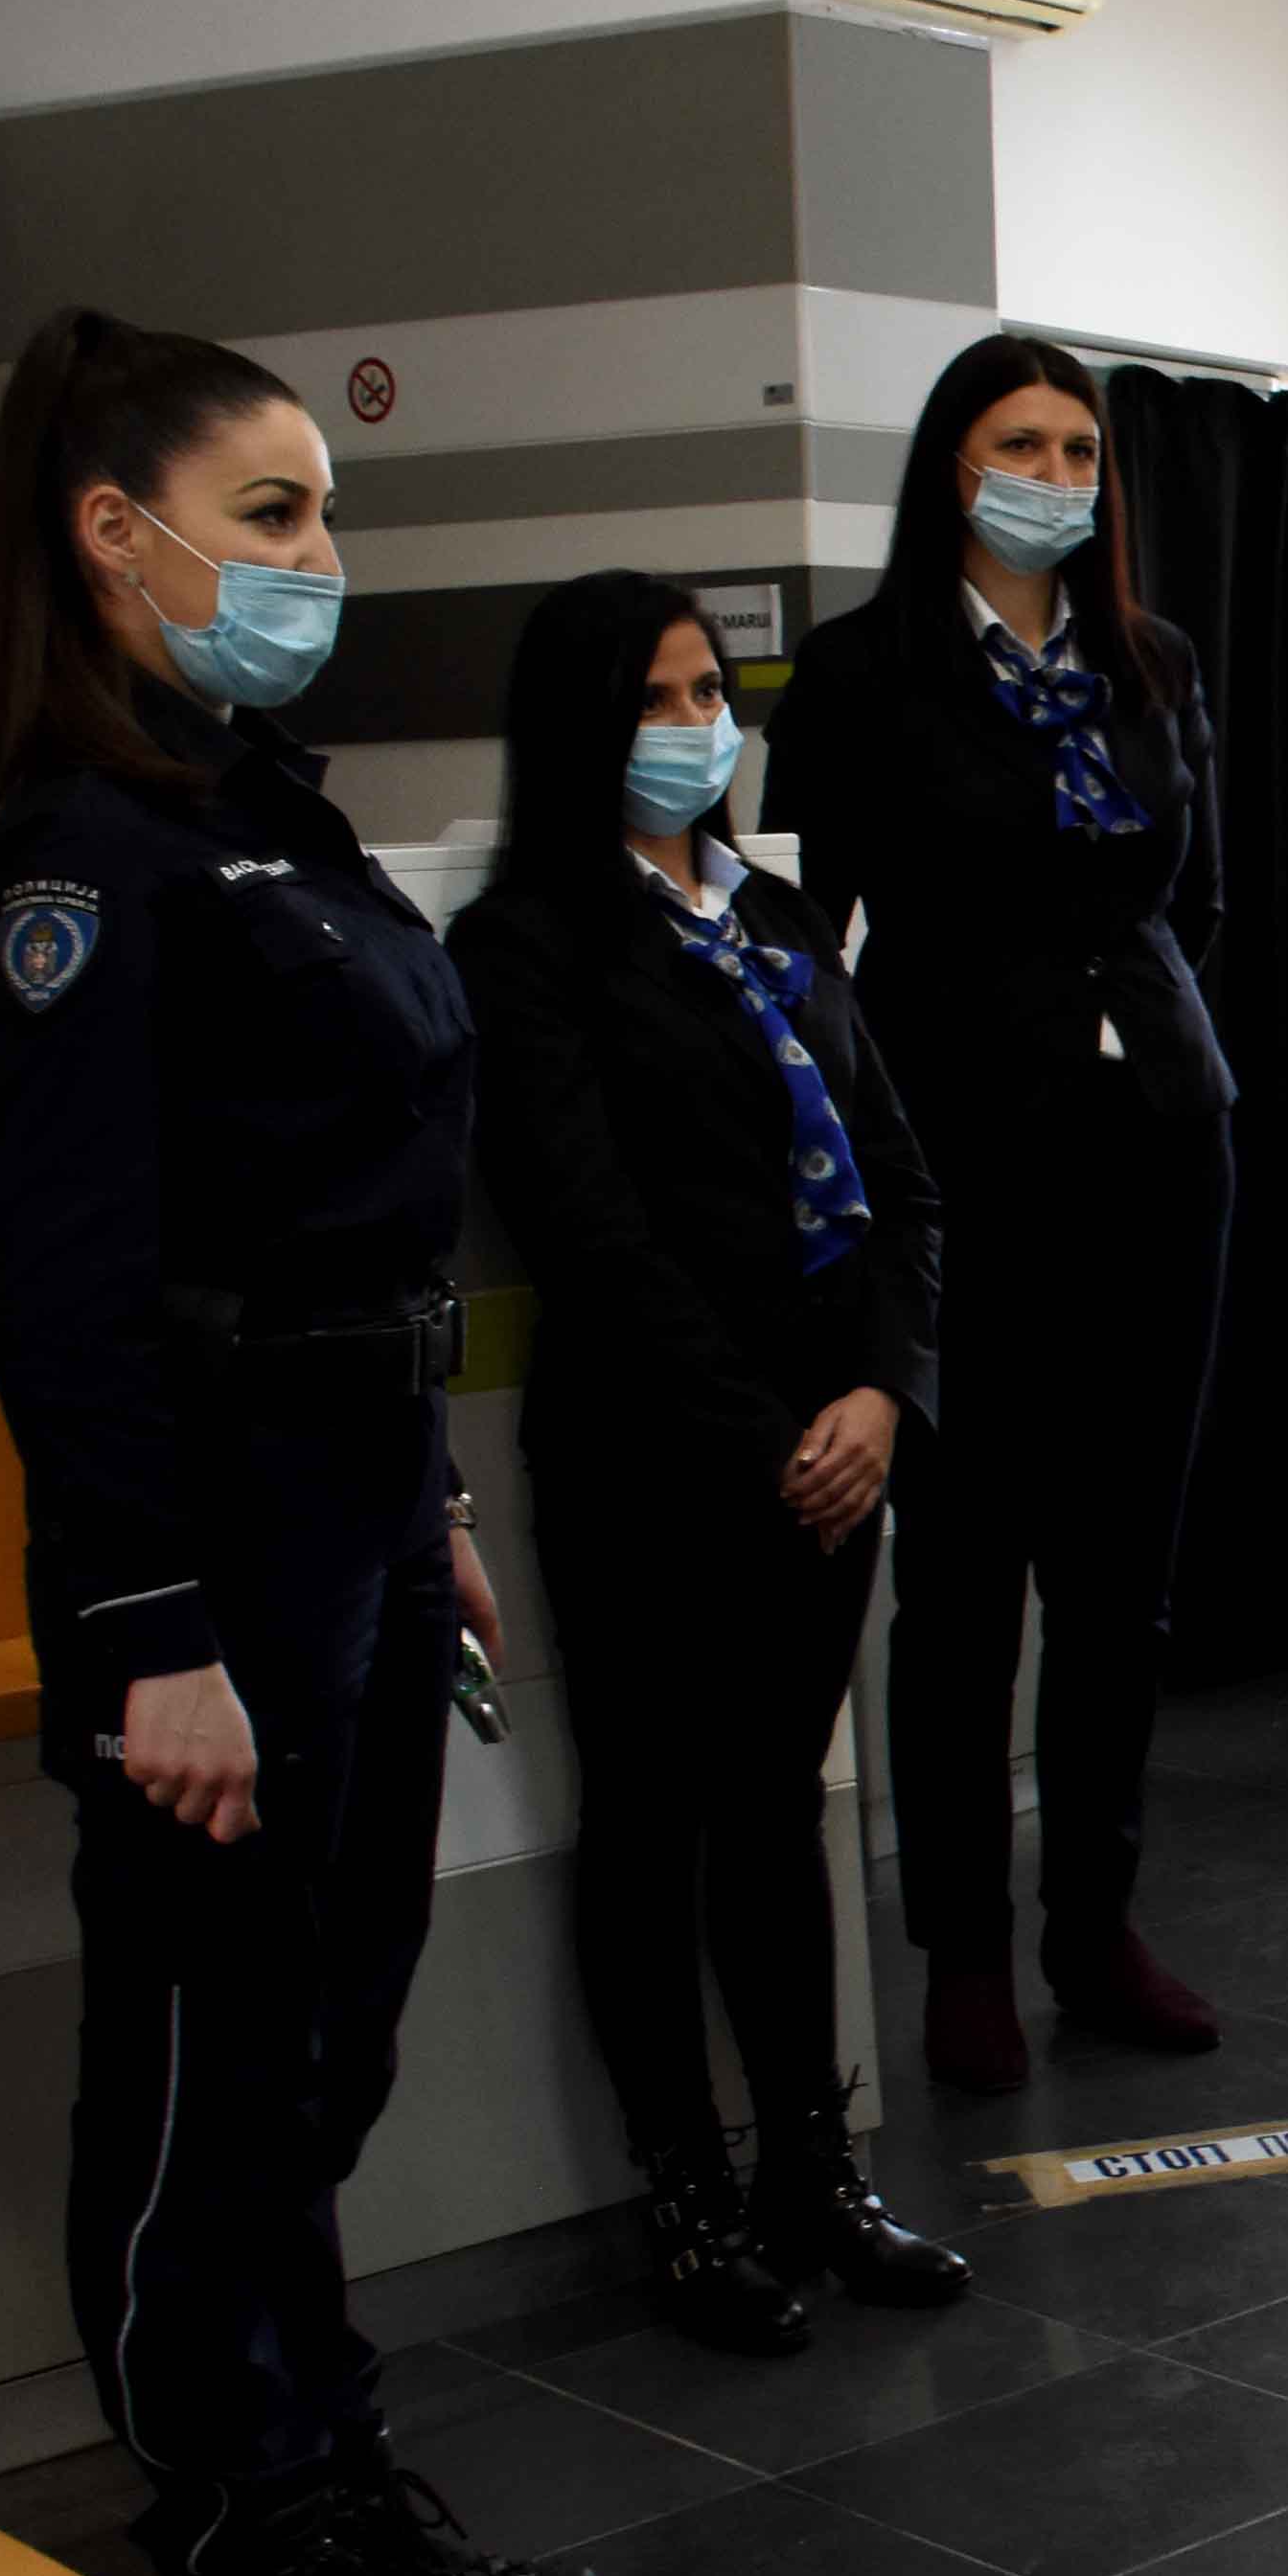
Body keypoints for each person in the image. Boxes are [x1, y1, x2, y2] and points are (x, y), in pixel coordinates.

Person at [0, 309, 606, 2576]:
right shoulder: (81, 858)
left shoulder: (275, 815)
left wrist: (427, 1496)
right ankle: (234, 2547)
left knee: (325, 2042)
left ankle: (327, 2464)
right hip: (204, 1550)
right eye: (272, 516)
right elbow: (69, 1282)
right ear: (114, 538)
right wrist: (149, 1637)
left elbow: (357, 1216)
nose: (320, 558)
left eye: (321, 512)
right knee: (203, 2077)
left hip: (341, 1505)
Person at [454, 572, 974, 2358]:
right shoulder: (526, 949)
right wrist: (771, 1442)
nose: (700, 727)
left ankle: (811, 2176)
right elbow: (591, 1240)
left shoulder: (779, 916)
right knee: (657, 1824)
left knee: (779, 1817)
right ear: (580, 729)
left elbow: (901, 1184)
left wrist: (882, 1400)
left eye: (708, 693)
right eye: (659, 700)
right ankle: (684, 2198)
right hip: (659, 1463)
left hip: (835, 1450)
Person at [759, 335, 1234, 2098]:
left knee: (1123, 1576)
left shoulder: (1150, 659)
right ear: (952, 467)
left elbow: (1198, 896)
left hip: (1160, 1146)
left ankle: (1092, 1918)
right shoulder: (863, 672)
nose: (1055, 470)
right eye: (1018, 441)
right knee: (964, 1577)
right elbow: (817, 943)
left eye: (1078, 445)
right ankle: (961, 1945)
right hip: (959, 1158)